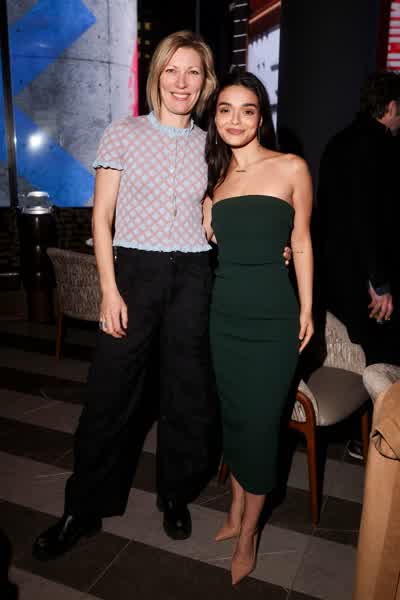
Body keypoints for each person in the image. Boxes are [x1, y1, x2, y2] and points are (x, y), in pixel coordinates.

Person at [32, 30, 221, 560]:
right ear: (156, 75)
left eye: (193, 71)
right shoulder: (123, 133)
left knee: (186, 395)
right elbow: (102, 218)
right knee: (109, 396)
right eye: (172, 69)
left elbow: (215, 211)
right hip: (134, 273)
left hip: (193, 276)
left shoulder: (211, 143)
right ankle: (83, 508)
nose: (182, 82)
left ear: (205, 82)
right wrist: (109, 290)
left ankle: (175, 495)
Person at [203, 71, 314, 585]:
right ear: (214, 117)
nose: (235, 120)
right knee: (234, 421)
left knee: (263, 428)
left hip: (273, 321)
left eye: (247, 110)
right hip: (224, 318)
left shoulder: (291, 167)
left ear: (261, 116)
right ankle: (233, 511)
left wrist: (307, 308)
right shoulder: (214, 184)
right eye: (225, 109)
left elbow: (303, 241)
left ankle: (249, 535)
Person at [316, 71, 400, 459]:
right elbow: (368, 221)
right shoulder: (379, 146)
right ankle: (382, 443)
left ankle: (365, 437)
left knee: (374, 357)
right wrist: (378, 282)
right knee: (385, 361)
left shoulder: (338, 141)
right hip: (366, 282)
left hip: (336, 276)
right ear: (391, 107)